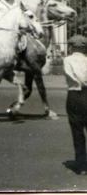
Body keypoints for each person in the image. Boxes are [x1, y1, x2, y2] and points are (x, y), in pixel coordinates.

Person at [63, 34, 87, 175]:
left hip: (75, 96)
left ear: (71, 47)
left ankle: (82, 165)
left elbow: (80, 77)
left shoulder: (68, 60)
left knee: (77, 132)